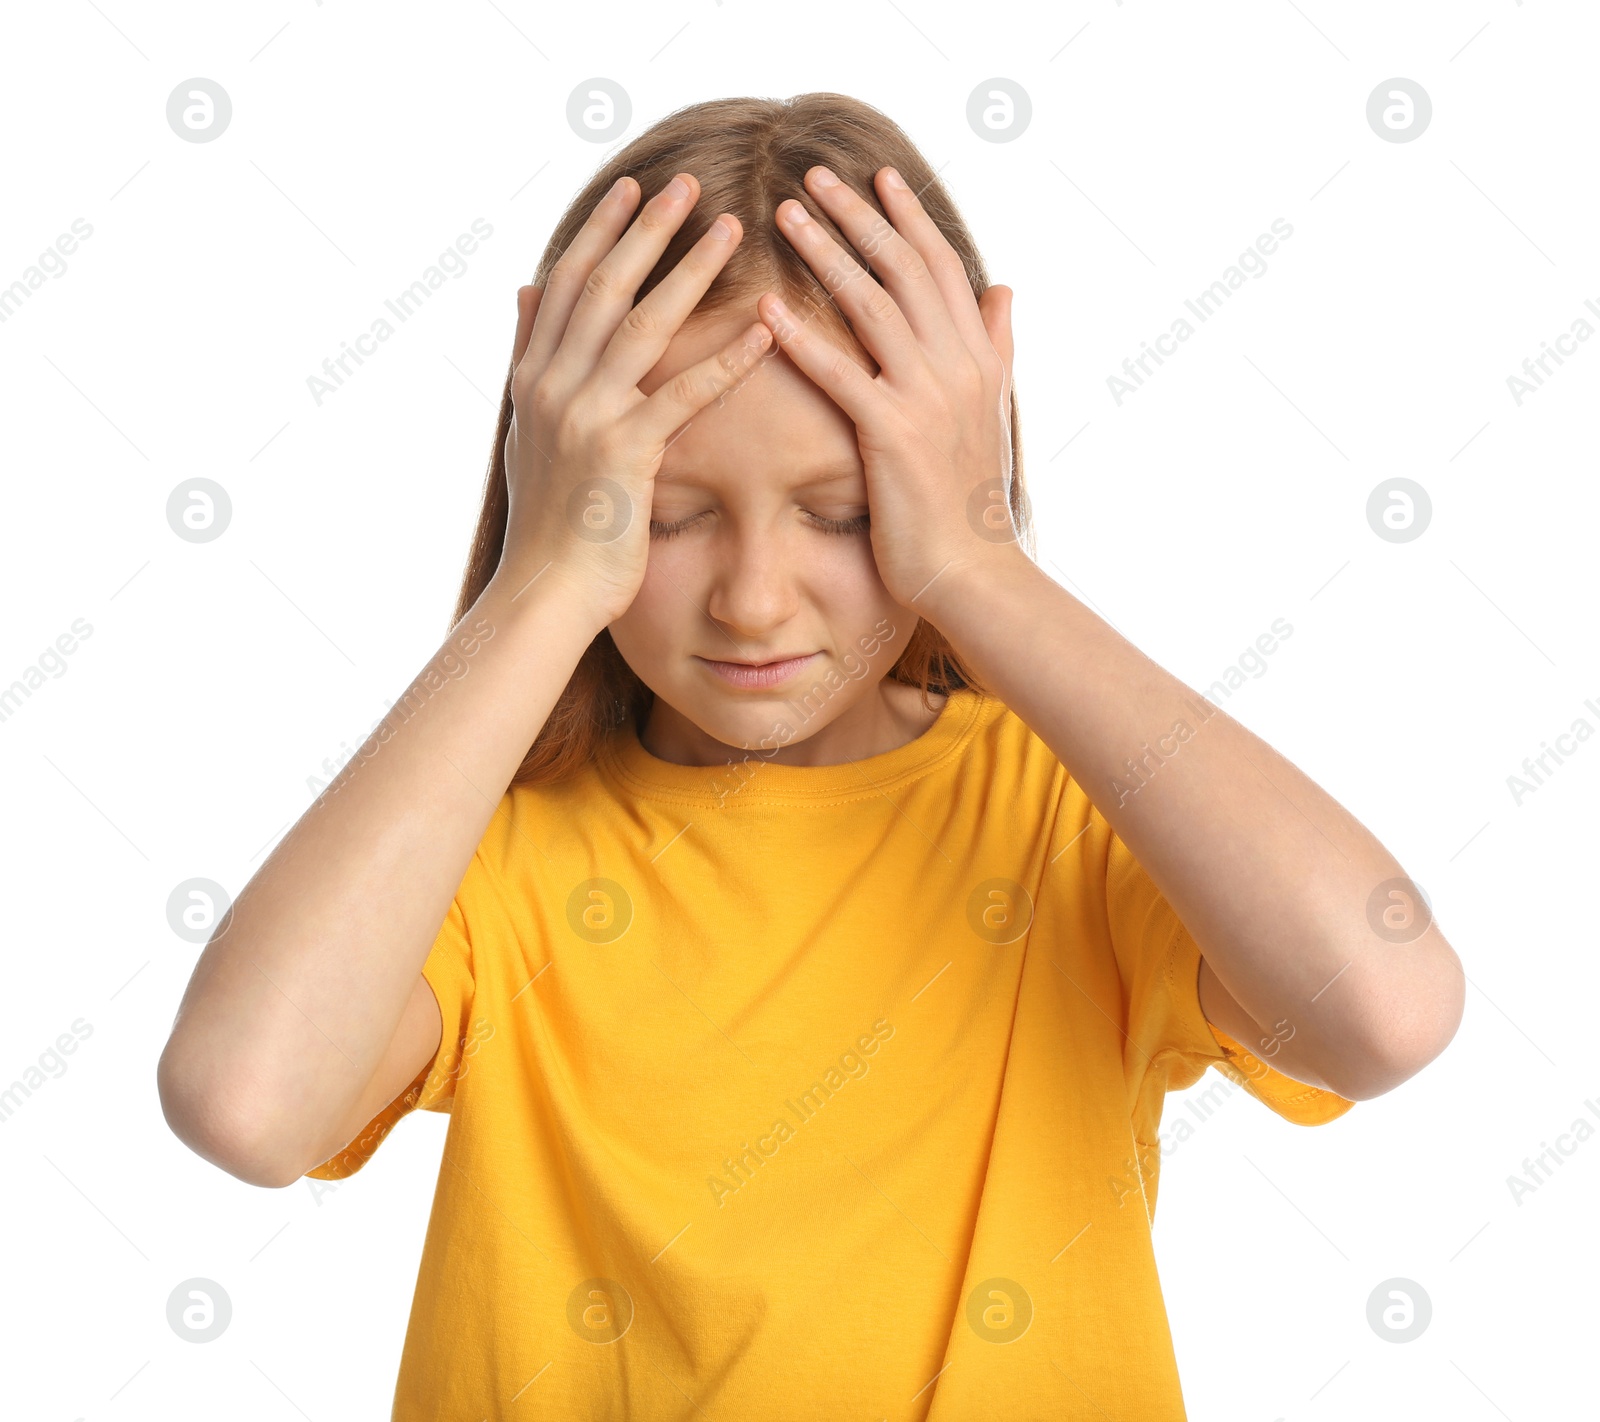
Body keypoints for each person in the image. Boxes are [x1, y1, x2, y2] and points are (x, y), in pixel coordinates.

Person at [156, 93, 1465, 1419]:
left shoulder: (1072, 815)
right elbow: (244, 1100)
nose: (754, 598)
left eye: (842, 513)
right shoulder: (493, 847)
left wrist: (976, 561)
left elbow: (1386, 1009)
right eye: (667, 516)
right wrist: (543, 577)